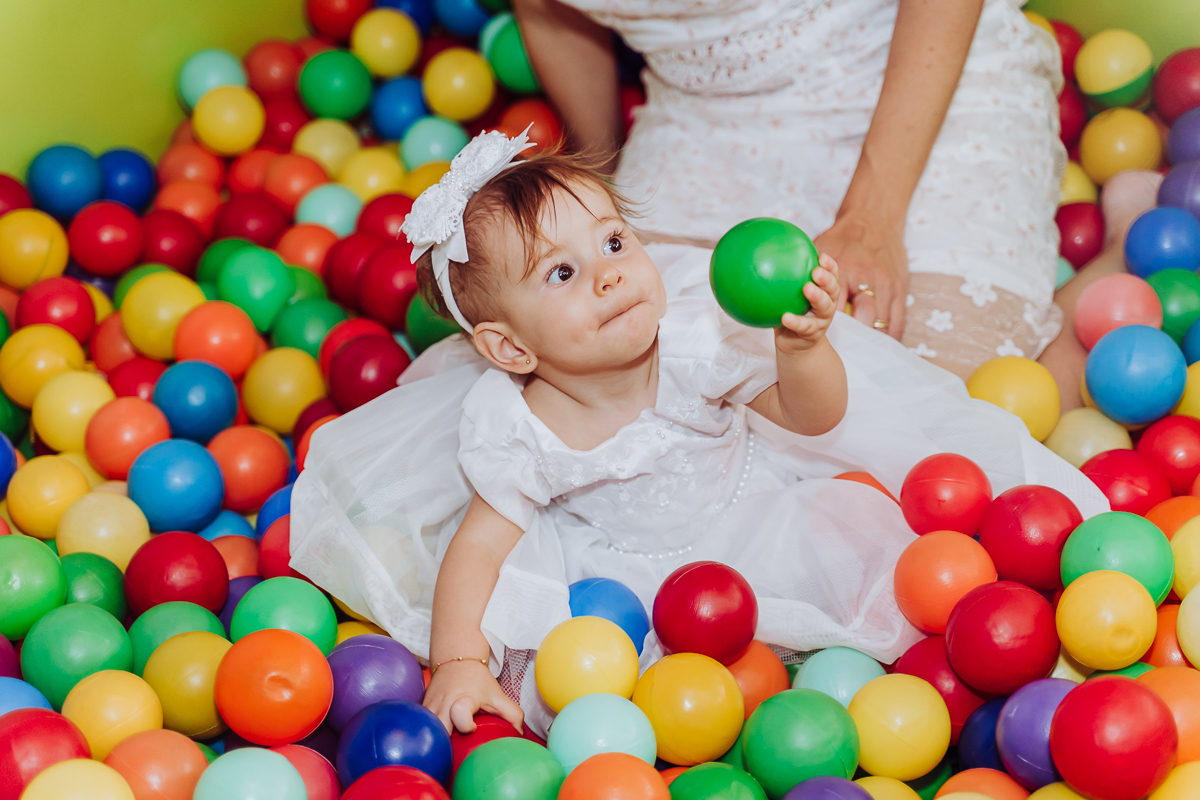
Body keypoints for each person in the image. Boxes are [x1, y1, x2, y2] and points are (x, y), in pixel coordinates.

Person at [290, 129, 1107, 738]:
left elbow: (815, 419)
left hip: (760, 520)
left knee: (867, 584)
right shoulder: (517, 426)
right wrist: (461, 661)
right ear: (510, 348)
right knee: (609, 687)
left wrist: (801, 350)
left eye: (614, 241)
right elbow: (477, 548)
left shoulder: (697, 345)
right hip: (618, 584)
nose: (610, 270)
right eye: (564, 275)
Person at [511, 0, 1069, 381]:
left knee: (923, 426)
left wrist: (872, 218)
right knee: (620, 395)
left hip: (914, 78)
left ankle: (1095, 302)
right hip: (700, 122)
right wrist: (598, 188)